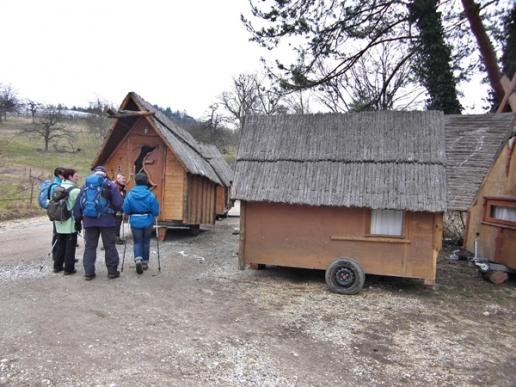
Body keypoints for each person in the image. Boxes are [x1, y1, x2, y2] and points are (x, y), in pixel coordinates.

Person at [73, 166, 123, 281]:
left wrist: (77, 220)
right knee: (110, 246)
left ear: (94, 173)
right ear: (104, 174)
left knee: (90, 247)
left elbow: (78, 205)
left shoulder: (85, 186)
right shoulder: (111, 185)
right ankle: (112, 272)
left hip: (89, 221)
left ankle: (89, 273)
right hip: (107, 222)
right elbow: (118, 204)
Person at [123, 173, 160, 274]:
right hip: (148, 220)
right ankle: (144, 263)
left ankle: (138, 259)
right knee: (146, 241)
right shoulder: (150, 195)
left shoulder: (130, 195)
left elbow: (126, 210)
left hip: (135, 221)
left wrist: (130, 213)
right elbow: (155, 212)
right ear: (146, 182)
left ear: (135, 181)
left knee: (137, 241)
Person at [53, 168, 81, 274]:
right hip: (70, 222)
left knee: (60, 244)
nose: (77, 178)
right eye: (76, 176)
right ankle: (69, 269)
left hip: (59, 221)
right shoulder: (75, 190)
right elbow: (79, 208)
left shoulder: (57, 187)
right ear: (70, 176)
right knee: (70, 246)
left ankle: (57, 266)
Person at [50, 167, 66, 264]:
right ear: (60, 175)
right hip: (57, 214)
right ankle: (56, 256)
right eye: (64, 174)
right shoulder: (56, 185)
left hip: (59, 213)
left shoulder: (57, 184)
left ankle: (61, 256)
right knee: (57, 235)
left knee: (59, 234)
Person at [112, 173, 127, 245]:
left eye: (125, 179)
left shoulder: (120, 187)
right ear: (118, 179)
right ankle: (114, 239)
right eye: (123, 179)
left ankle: (116, 238)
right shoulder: (115, 187)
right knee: (116, 224)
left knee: (117, 223)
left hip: (118, 210)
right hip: (114, 210)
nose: (124, 180)